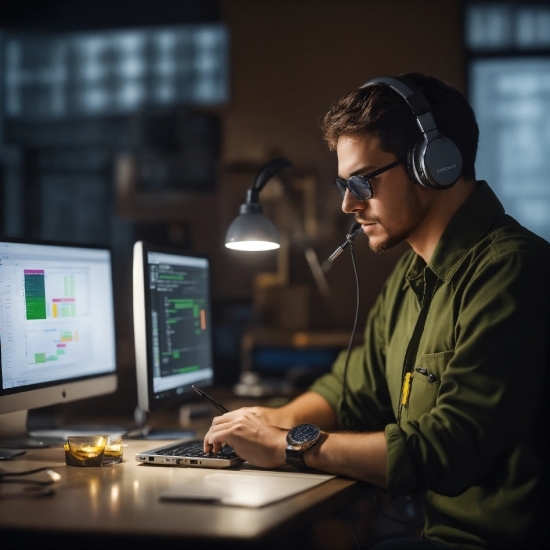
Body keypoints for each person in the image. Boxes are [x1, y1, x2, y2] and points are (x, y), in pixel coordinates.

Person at [204, 73, 550, 549]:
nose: (348, 203)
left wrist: (288, 445)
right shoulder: (411, 280)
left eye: (362, 182)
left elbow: (449, 448)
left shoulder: (512, 272)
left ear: (434, 164)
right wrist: (268, 420)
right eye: (343, 184)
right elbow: (351, 390)